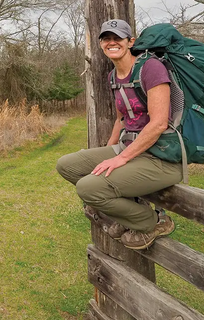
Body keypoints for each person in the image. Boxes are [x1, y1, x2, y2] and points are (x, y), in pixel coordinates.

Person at [55, 19, 182, 250]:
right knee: (67, 165)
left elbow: (159, 124)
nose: (112, 42)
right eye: (106, 38)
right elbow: (121, 119)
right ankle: (127, 215)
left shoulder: (150, 68)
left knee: (88, 188)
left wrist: (120, 158)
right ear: (101, 44)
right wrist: (108, 152)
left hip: (162, 156)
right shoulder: (113, 76)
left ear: (130, 41)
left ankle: (152, 221)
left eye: (118, 38)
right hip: (130, 149)